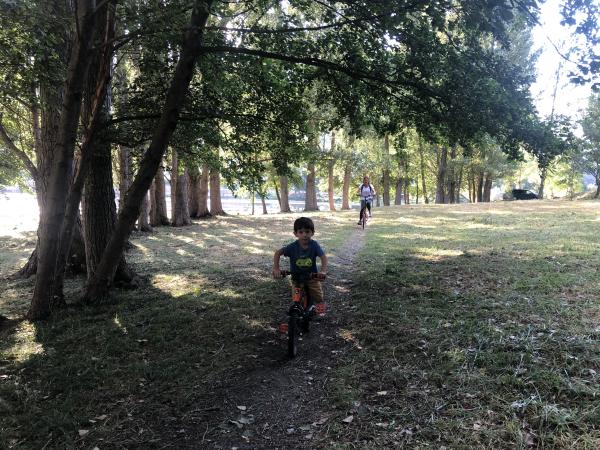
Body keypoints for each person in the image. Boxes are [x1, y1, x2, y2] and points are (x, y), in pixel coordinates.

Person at [272, 217, 328, 315]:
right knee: (296, 298)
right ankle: (299, 311)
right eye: (301, 232)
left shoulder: (314, 245)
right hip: (296, 278)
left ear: (312, 233)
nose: (304, 235)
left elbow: (323, 257)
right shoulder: (293, 247)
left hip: (312, 277)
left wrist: (323, 271)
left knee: (317, 294)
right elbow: (277, 253)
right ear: (295, 233)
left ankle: (320, 305)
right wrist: (276, 268)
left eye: (307, 232)